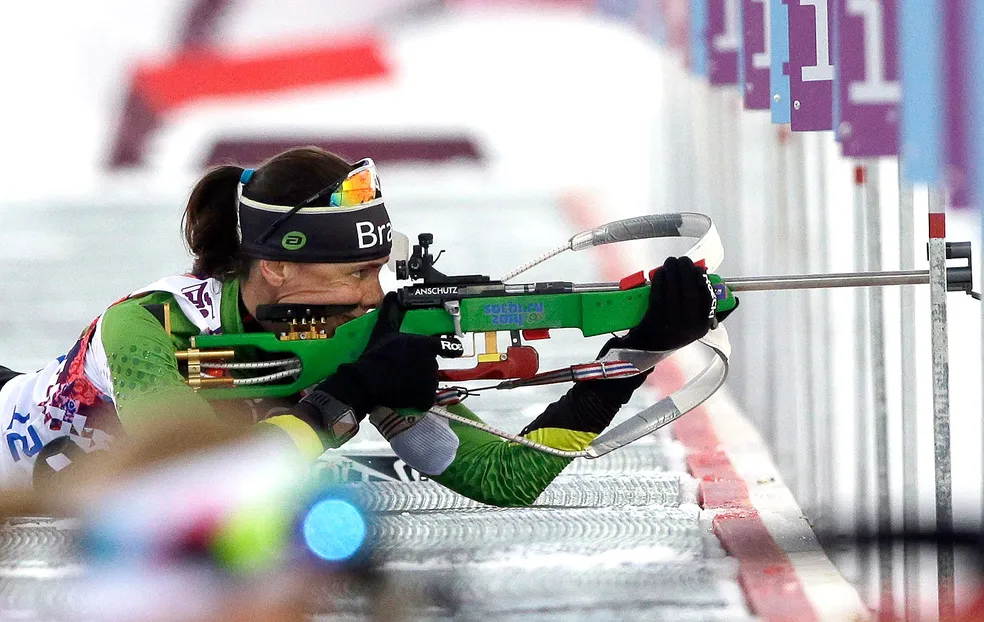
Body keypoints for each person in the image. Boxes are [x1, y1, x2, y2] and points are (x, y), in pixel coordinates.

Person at [0, 147, 716, 506]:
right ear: (277, 267)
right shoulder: (147, 328)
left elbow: (508, 478)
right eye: (356, 274)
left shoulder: (356, 341)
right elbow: (190, 495)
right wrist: (340, 399)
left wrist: (633, 354)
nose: (378, 294)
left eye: (381, 268)